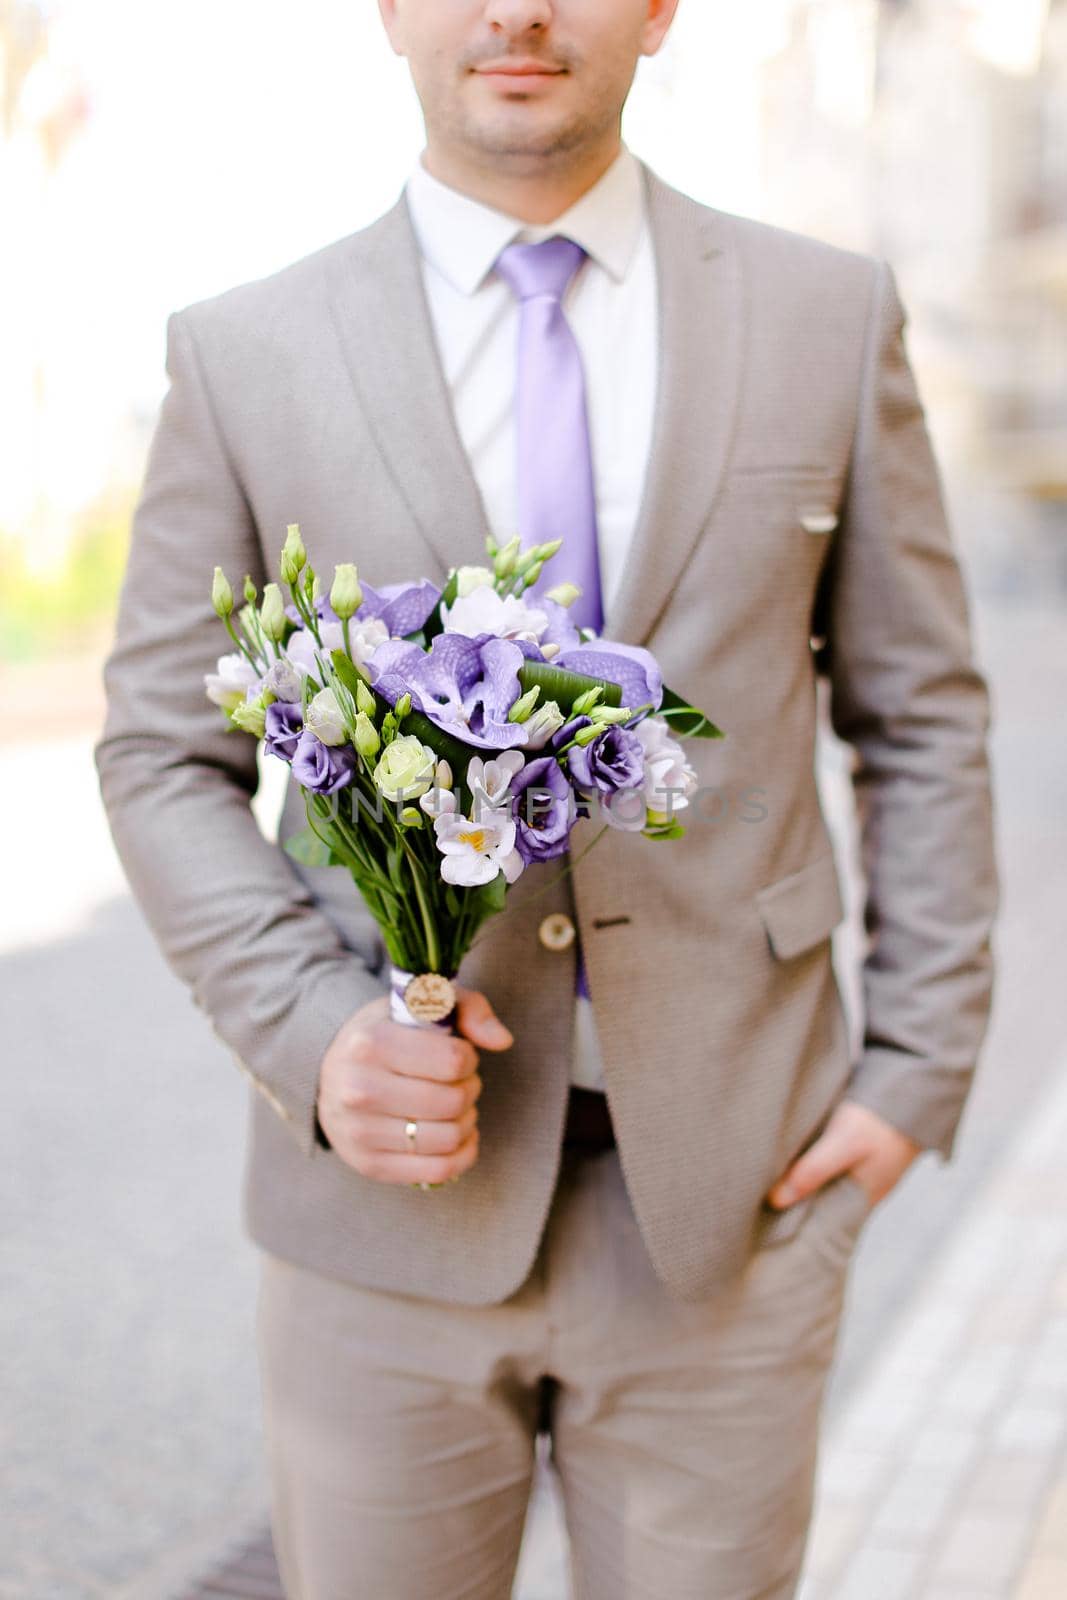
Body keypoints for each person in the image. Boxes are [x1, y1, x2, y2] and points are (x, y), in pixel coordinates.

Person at [93, 1, 999, 1595]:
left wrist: (917, 1070)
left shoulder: (826, 317)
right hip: (378, 1227)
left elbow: (919, 713)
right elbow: (164, 751)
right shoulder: (243, 353)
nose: (514, 11)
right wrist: (315, 1039)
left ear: (659, 9)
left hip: (738, 1207)